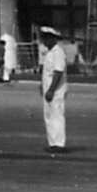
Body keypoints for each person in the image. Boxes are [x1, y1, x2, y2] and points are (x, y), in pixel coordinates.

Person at [40, 26, 68, 154]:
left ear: (53, 39)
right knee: (49, 116)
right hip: (49, 91)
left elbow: (58, 72)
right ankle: (53, 143)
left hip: (56, 91)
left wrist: (51, 89)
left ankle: (59, 143)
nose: (44, 41)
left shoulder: (58, 53)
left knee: (56, 116)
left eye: (46, 38)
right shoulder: (50, 53)